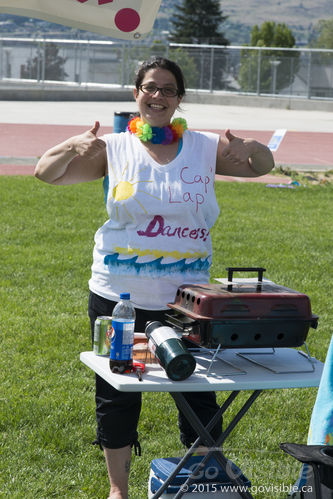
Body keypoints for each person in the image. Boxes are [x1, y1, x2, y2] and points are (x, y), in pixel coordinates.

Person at [35, 56, 274, 499]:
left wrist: (253, 147)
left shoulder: (204, 148)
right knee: (118, 390)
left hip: (187, 301)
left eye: (168, 89)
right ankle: (118, 489)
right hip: (117, 295)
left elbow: (262, 165)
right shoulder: (113, 148)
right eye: (150, 87)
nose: (158, 96)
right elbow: (45, 173)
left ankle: (203, 479)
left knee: (201, 390)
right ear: (136, 94)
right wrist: (70, 146)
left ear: (179, 98)